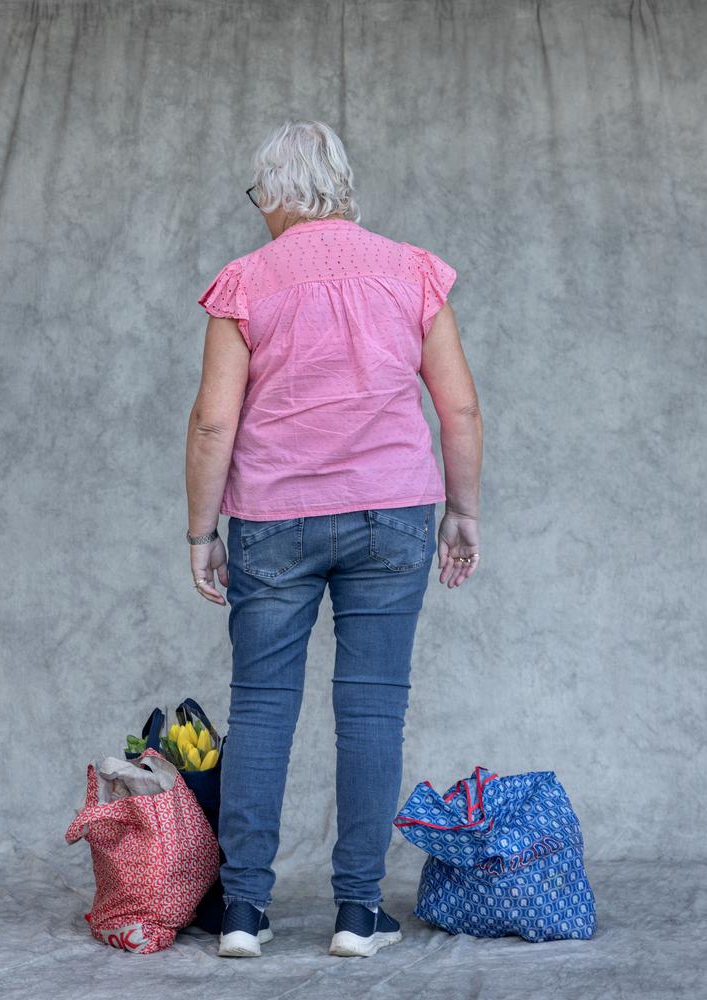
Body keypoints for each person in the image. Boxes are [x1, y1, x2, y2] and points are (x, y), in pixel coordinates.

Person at [184, 119, 483, 959]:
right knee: (373, 709)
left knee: (263, 709)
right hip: (392, 515)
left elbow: (214, 422)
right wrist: (462, 511)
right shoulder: (412, 271)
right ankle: (359, 913)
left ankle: (243, 912)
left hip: (272, 521)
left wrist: (201, 532)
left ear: (275, 196)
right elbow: (458, 406)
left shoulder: (246, 282)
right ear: (341, 185)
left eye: (258, 198)